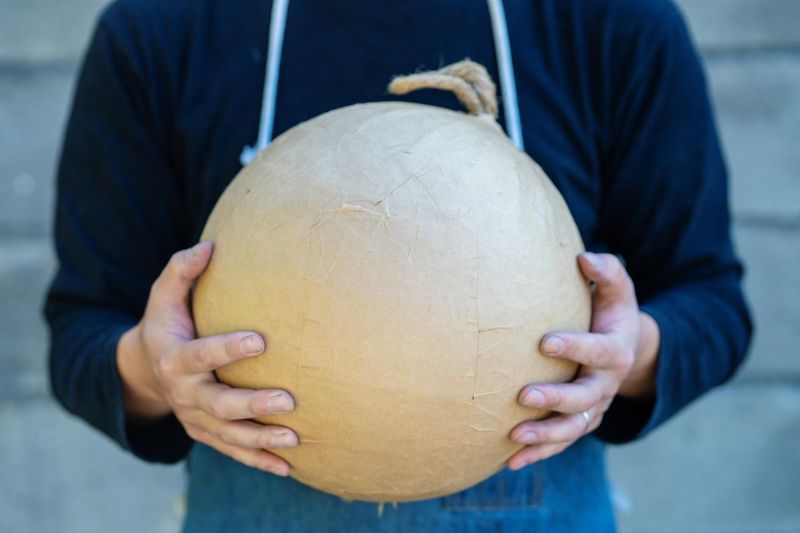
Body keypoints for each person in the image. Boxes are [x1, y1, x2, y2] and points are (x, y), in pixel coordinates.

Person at [45, 0, 752, 531]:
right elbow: (83, 328)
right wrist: (153, 369)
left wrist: (629, 353)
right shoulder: (161, 29)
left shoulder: (613, 21)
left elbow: (711, 299)